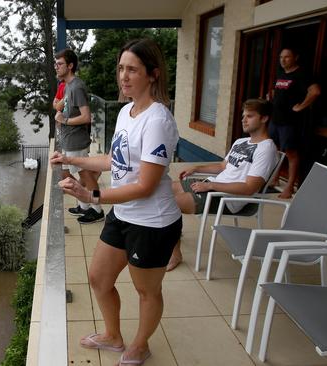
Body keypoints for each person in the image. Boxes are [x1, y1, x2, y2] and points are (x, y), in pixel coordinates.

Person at [51, 38, 181, 366]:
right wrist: (72, 159)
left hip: (152, 222)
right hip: (123, 215)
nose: (123, 76)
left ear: (152, 74)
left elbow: (146, 185)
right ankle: (113, 335)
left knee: (145, 291)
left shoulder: (158, 120)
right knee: (98, 277)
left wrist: (92, 195)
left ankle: (140, 345)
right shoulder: (126, 112)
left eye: (132, 69)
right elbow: (115, 160)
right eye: (121, 68)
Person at [166, 98, 279, 271]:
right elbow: (222, 166)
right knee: (163, 189)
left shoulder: (266, 149)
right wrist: (196, 168)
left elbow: (250, 188)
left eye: (250, 116)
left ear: (264, 118)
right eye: (243, 116)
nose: (244, 120)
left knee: (167, 204)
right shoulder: (241, 142)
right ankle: (172, 230)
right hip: (212, 186)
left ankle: (175, 254)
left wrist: (211, 187)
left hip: (228, 198)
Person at [53, 49, 104, 224]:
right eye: (56, 64)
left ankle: (97, 209)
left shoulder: (77, 87)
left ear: (70, 65)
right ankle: (84, 205)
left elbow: (86, 117)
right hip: (69, 140)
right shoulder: (68, 86)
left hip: (76, 141)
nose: (56, 67)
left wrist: (64, 120)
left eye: (60, 64)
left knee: (86, 177)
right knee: (68, 173)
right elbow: (60, 107)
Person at [270, 47, 320, 198]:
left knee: (291, 153)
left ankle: (290, 186)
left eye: (286, 57)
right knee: (274, 149)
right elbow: (277, 91)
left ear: (295, 57)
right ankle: (276, 178)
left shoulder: (301, 74)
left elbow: (315, 91)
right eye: (281, 57)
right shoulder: (281, 73)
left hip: (289, 122)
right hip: (275, 119)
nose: (283, 60)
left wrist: (301, 106)